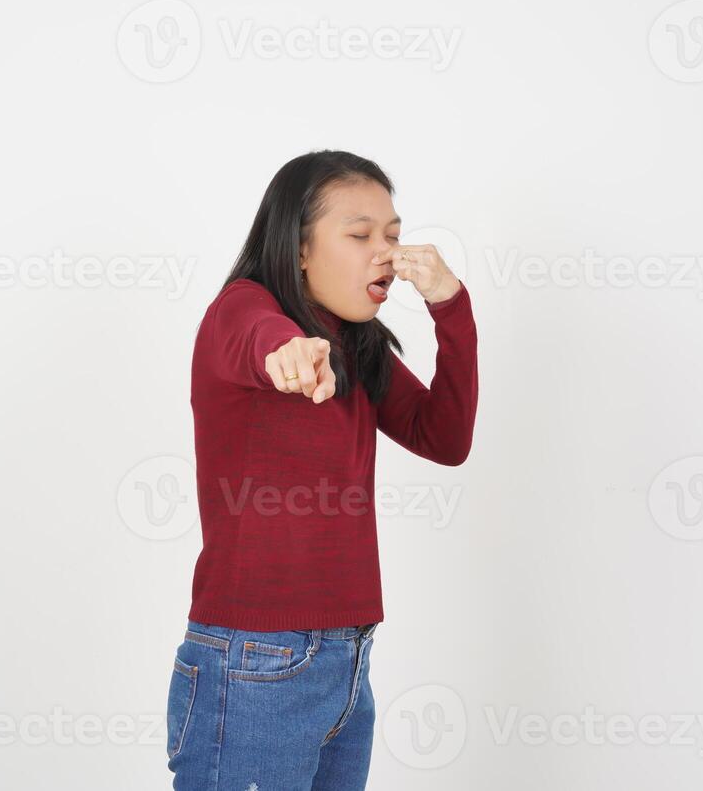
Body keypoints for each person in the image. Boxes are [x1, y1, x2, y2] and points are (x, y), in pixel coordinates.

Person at [165, 149, 479, 790]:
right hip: (255, 663)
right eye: (360, 235)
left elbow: (444, 438)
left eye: (392, 236)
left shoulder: (359, 346)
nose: (385, 254)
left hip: (346, 659)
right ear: (300, 247)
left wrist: (451, 306)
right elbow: (258, 334)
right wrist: (287, 351)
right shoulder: (243, 309)